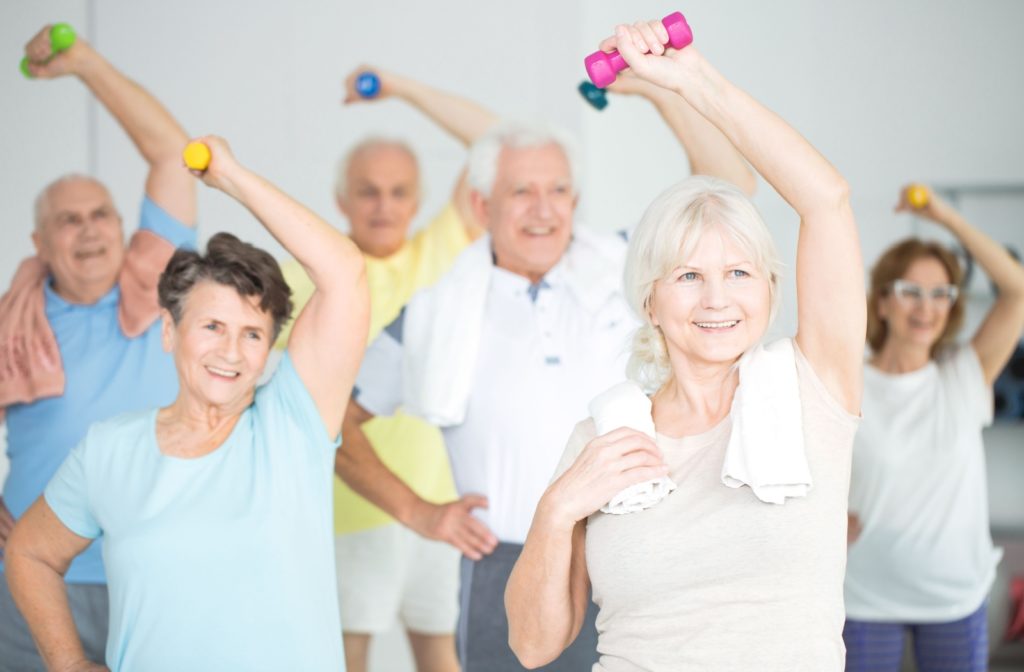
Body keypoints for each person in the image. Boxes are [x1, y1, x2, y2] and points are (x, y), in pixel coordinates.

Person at [335, 59, 755, 672]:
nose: (542, 208)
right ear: (480, 204)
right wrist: (420, 513)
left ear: (576, 200)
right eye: (521, 191)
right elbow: (334, 422)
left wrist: (657, 91)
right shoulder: (434, 313)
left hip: (634, 548)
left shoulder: (626, 268)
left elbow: (727, 187)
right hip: (506, 563)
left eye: (558, 189)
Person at [506, 18, 865, 672]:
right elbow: (533, 647)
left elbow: (827, 201)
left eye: (738, 274)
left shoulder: (814, 388)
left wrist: (692, 79)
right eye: (690, 277)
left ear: (769, 289)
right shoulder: (603, 440)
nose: (717, 300)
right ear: (651, 300)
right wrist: (556, 510)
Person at [5, 137, 369, 672]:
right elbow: (29, 554)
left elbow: (344, 273)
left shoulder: (293, 421)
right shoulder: (111, 448)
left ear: (270, 348)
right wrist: (68, 664)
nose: (231, 351)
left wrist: (235, 178)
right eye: (213, 326)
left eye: (252, 334)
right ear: (170, 332)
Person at [275, 66, 492, 672]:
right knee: (345, 659)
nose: (383, 205)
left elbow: (498, 144)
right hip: (349, 506)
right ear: (341, 199)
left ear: (418, 201)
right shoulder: (307, 280)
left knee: (443, 657)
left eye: (398, 192)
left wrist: (405, 88)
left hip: (445, 501)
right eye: (367, 191)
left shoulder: (445, 251)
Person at [0, 25, 197, 670]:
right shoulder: (12, 324)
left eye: (101, 214)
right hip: (36, 574)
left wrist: (84, 63)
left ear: (124, 226)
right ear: (40, 240)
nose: (89, 230)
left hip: (153, 567)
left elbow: (174, 153)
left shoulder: (159, 284)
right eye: (68, 219)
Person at [843, 185, 1024, 672]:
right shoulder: (847, 381)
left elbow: (1018, 289)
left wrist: (948, 219)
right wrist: (821, 515)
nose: (927, 306)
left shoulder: (966, 372)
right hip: (864, 595)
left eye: (941, 293)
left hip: (954, 599)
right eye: (911, 292)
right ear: (882, 302)